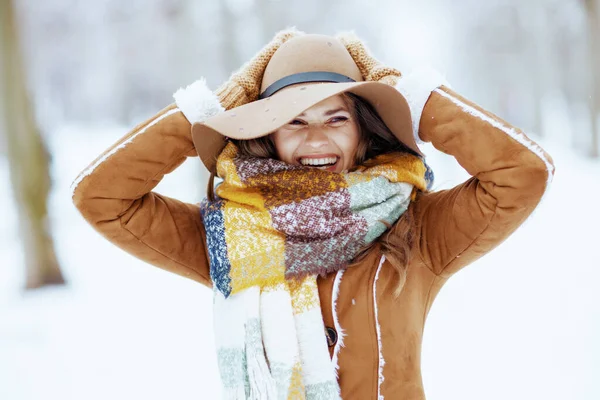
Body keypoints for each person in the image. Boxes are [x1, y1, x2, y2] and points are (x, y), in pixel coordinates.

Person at [71, 29, 554, 400]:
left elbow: (523, 172)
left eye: (336, 118)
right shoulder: (227, 239)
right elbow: (100, 197)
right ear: (268, 135)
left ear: (364, 132)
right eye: (293, 121)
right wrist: (214, 106)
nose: (317, 140)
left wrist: (408, 95)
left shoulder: (419, 228)